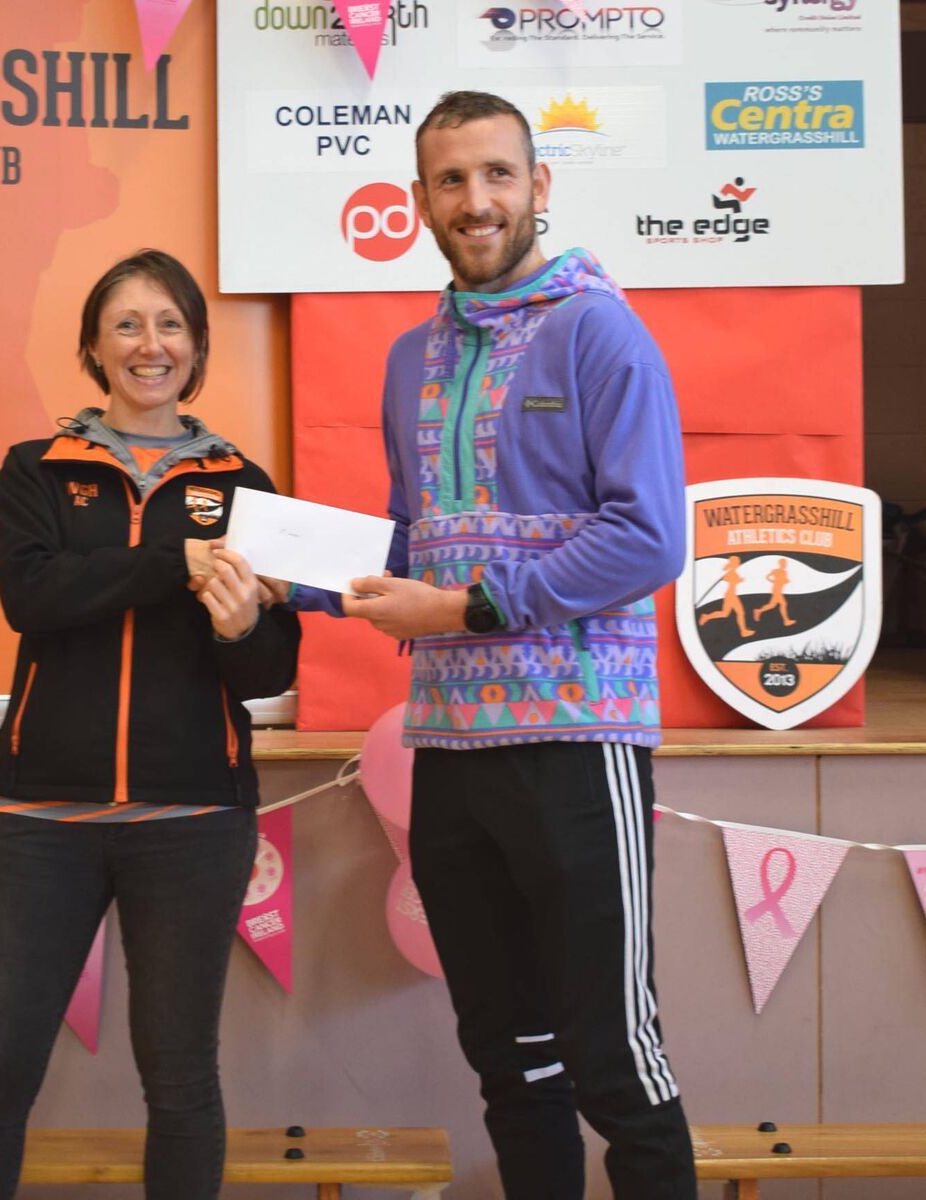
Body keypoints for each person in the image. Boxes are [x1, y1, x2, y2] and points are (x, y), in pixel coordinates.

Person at [286, 92, 697, 1199]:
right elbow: (413, 547)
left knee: (616, 1059)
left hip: (576, 741)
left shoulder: (600, 328)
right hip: (451, 750)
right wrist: (284, 573)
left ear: (539, 187)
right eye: (452, 181)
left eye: (498, 175)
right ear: (419, 200)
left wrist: (466, 610)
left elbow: (651, 534)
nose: (477, 202)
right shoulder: (410, 356)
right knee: (511, 1062)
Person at [0, 249, 300, 1200]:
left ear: (197, 345)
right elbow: (33, 594)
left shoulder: (245, 482)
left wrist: (244, 623)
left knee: (181, 1084)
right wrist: (175, 564)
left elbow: (269, 672)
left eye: (170, 323)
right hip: (39, 824)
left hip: (194, 824)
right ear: (94, 346)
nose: (151, 344)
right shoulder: (36, 471)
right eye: (128, 324)